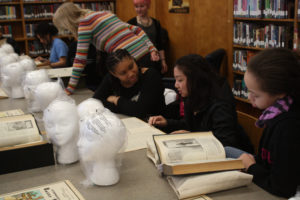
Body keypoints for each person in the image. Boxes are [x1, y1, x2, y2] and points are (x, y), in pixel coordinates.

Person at [225, 48, 300, 198]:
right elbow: (270, 158)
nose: (249, 97)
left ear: (279, 93)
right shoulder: (274, 113)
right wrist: (254, 162)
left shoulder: (288, 128)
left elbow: (282, 187)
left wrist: (251, 167)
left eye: (255, 94)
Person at [148, 54, 253, 152]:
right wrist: (167, 122)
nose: (175, 85)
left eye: (180, 80)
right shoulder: (192, 97)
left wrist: (193, 138)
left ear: (195, 80)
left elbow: (226, 144)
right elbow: (192, 125)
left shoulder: (220, 105)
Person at [53, 2, 160, 95]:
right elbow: (135, 29)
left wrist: (70, 88)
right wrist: (151, 48)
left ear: (67, 21)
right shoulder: (104, 13)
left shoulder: (85, 23)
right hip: (145, 54)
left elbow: (80, 60)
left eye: (65, 27)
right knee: (149, 93)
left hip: (129, 61)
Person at [93, 49, 165, 119]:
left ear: (133, 59)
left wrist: (116, 100)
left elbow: (140, 111)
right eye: (123, 73)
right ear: (114, 74)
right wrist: (128, 107)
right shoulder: (111, 78)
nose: (131, 74)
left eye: (131, 66)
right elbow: (95, 101)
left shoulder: (151, 76)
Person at [128, 0, 168, 74]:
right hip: (138, 61)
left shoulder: (156, 23)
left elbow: (159, 44)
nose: (139, 9)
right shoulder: (131, 23)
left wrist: (163, 61)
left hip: (155, 60)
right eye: (136, 7)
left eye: (142, 6)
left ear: (148, 6)